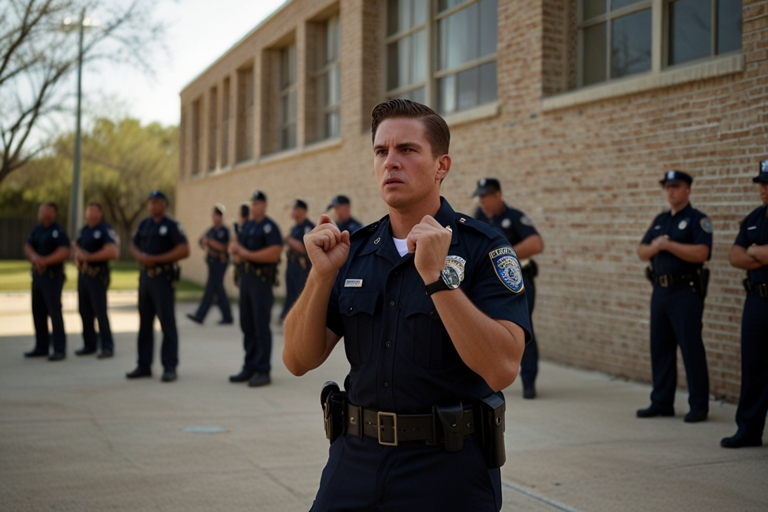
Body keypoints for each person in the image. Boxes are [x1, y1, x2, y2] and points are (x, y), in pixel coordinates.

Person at [283, 99, 531, 511]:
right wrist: (322, 275)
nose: (390, 162)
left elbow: (502, 367)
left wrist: (439, 279)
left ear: (441, 166)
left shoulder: (483, 249)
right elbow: (297, 359)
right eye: (381, 151)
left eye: (407, 150)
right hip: (354, 463)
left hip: (447, 471)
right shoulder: (355, 251)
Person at [637, 170, 712, 423]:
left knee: (691, 349)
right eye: (667, 187)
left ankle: (699, 405)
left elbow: (702, 253)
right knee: (660, 348)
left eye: (676, 187)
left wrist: (669, 245)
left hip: (685, 291)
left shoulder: (697, 219)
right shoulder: (660, 220)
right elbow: (642, 251)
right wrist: (655, 246)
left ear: (687, 190)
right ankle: (661, 402)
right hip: (660, 290)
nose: (670, 191)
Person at [474, 178, 544, 399]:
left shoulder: (513, 217)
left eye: (486, 197)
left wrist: (502, 254)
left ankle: (529, 382)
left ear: (498, 196)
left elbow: (536, 243)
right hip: (488, 286)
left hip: (518, 283)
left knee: (522, 331)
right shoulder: (480, 216)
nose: (482, 202)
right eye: (480, 198)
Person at [721, 160, 768, 448]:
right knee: (753, 367)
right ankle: (748, 430)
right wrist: (761, 253)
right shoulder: (754, 217)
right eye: (762, 184)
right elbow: (735, 256)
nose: (764, 190)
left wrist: (757, 251)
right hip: (756, 301)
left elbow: (748, 253)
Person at [127, 190, 189, 383]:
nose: (153, 205)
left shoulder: (172, 226)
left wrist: (156, 259)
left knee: (167, 323)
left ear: (164, 204)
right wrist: (142, 257)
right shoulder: (144, 224)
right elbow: (132, 245)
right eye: (151, 202)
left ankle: (169, 366)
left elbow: (184, 249)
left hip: (163, 278)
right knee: (144, 323)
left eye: (157, 202)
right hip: (146, 278)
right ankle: (143, 365)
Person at [228, 191, 282, 387]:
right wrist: (235, 250)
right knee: (247, 324)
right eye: (253, 203)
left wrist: (245, 253)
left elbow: (274, 253)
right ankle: (249, 365)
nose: (254, 206)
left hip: (261, 281)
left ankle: (262, 369)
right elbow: (237, 253)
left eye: (258, 203)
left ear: (265, 205)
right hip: (247, 279)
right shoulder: (248, 226)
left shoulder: (270, 227)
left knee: (261, 325)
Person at [24, 202, 71, 361]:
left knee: (54, 311)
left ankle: (59, 348)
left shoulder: (58, 231)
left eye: (47, 211)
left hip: (52, 275)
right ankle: (41, 346)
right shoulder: (37, 230)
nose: (43, 214)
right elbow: (28, 246)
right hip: (38, 275)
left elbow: (64, 251)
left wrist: (45, 261)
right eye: (41, 211)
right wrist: (35, 258)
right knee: (38, 311)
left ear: (53, 213)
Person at [72, 203, 119, 358]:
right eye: (88, 210)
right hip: (84, 275)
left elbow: (113, 252)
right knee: (84, 311)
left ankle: (107, 346)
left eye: (94, 210)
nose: (90, 213)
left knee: (100, 311)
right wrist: (78, 258)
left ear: (100, 213)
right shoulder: (84, 230)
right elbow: (75, 247)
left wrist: (89, 257)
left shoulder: (104, 230)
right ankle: (89, 344)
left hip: (97, 275)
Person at [187, 203, 233, 325]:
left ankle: (200, 315)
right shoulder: (211, 230)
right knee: (217, 289)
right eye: (214, 215)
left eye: (218, 215)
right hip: (211, 262)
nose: (215, 218)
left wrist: (210, 242)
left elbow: (224, 247)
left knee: (211, 289)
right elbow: (201, 241)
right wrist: (206, 244)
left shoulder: (224, 231)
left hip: (220, 263)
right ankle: (227, 317)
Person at [280, 199, 315, 321]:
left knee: (301, 293)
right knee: (291, 293)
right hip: (292, 264)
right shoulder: (295, 228)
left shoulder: (308, 227)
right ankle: (289, 317)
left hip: (302, 267)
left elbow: (304, 248)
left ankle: (301, 319)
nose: (293, 212)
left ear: (302, 211)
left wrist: (289, 240)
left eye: (296, 209)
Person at [233, 203, 250, 288]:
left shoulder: (247, 226)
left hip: (245, 261)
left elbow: (235, 243)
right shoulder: (241, 226)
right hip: (240, 261)